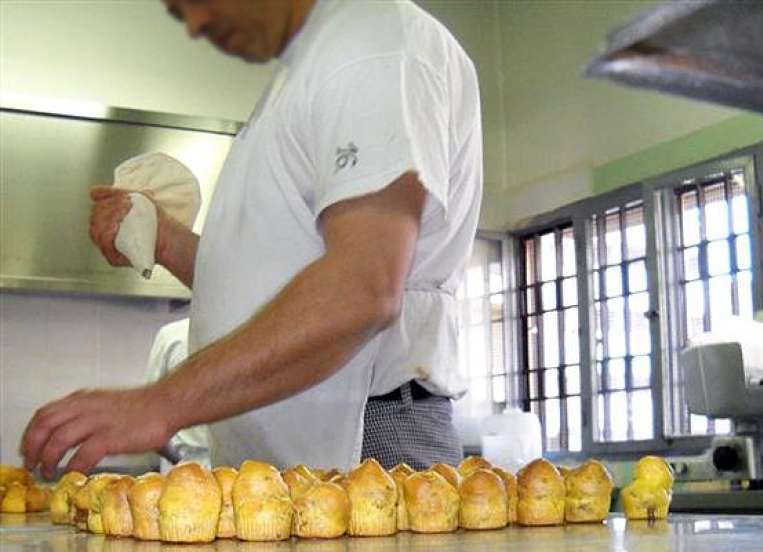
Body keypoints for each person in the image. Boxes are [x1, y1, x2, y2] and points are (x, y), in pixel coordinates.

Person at [21, 0, 482, 477]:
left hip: (366, 433)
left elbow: (362, 288)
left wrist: (159, 403)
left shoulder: (373, 43)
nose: (196, 25)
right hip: (294, 441)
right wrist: (165, 241)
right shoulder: (307, 70)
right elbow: (272, 284)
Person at [145, 318, 210, 471]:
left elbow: (149, 416)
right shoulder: (247, 332)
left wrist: (178, 462)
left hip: (181, 468)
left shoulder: (171, 335)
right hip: (235, 474)